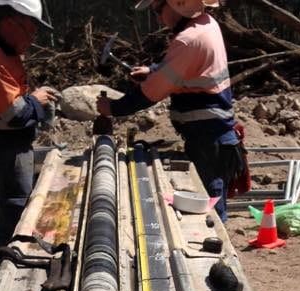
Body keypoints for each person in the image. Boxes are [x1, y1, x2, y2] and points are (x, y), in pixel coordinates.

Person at [96, 0, 243, 222]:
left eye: (158, 9)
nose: (157, 17)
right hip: (213, 133)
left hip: (207, 137)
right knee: (212, 195)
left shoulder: (188, 40)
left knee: (209, 205)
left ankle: (217, 251)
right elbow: (187, 67)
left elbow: (151, 93)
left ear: (178, 4)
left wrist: (114, 108)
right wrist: (154, 70)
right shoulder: (206, 24)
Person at [0, 0, 59, 276]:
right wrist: (36, 100)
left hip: (13, 144)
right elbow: (14, 114)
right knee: (15, 208)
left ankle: (9, 271)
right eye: (29, 28)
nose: (33, 37)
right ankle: (3, 275)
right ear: (8, 22)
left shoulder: (4, 55)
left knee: (18, 204)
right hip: (5, 146)